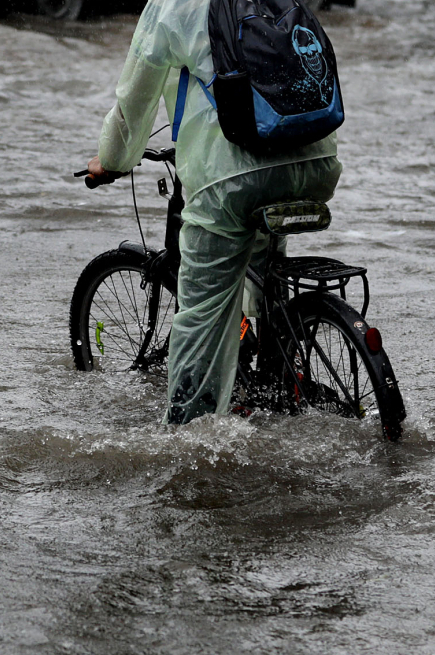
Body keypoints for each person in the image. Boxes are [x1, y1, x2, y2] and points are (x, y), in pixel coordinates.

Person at [85, 0, 339, 425]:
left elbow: (135, 101)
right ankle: (275, 378)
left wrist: (111, 160)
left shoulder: (171, 6)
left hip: (232, 180)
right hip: (315, 164)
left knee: (202, 312)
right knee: (262, 263)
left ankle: (187, 438)